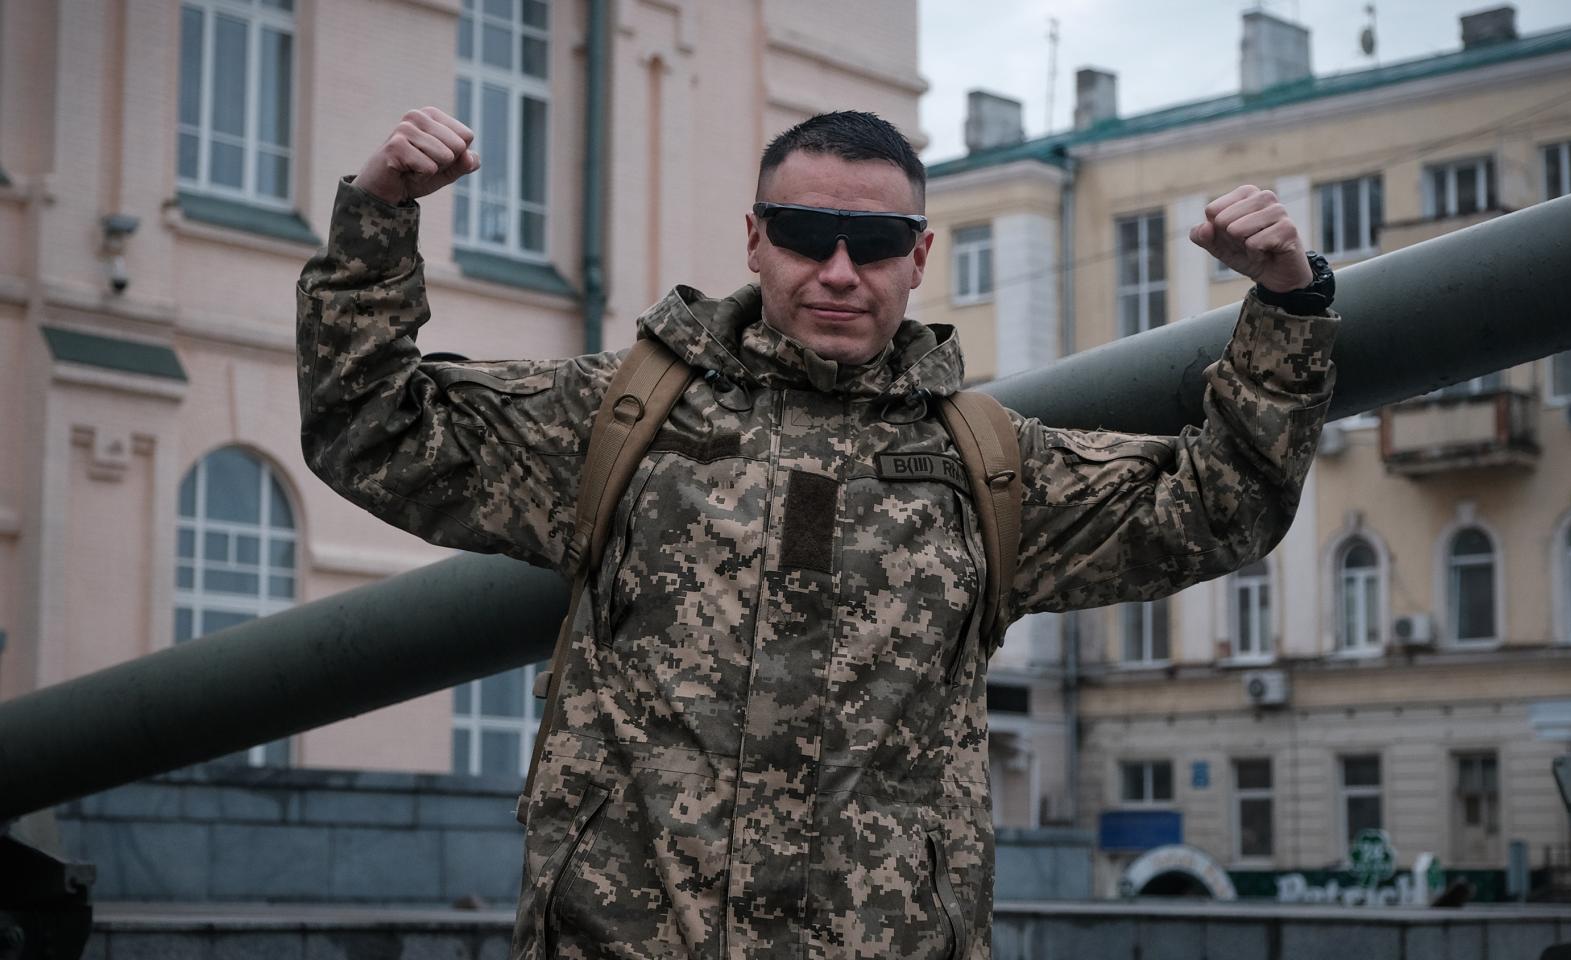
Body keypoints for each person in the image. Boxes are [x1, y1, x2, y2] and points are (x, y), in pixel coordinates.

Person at [298, 106, 1338, 960]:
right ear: (754, 240)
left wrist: (1286, 300)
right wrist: (381, 211)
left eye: (876, 242)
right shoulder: (617, 422)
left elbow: (1217, 508)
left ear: (918, 256)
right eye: (803, 234)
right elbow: (370, 425)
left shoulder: (988, 467)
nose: (838, 270)